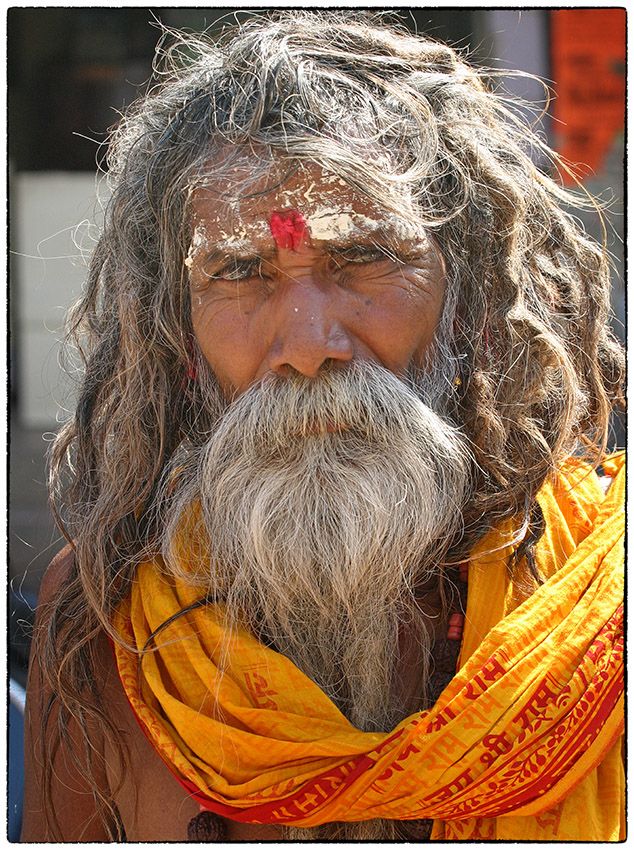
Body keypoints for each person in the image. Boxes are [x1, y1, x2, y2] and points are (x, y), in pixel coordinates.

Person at [21, 11, 624, 842]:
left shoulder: (603, 599)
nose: (309, 345)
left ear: (471, 297)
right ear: (177, 332)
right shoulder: (108, 616)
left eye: (365, 257)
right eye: (239, 270)